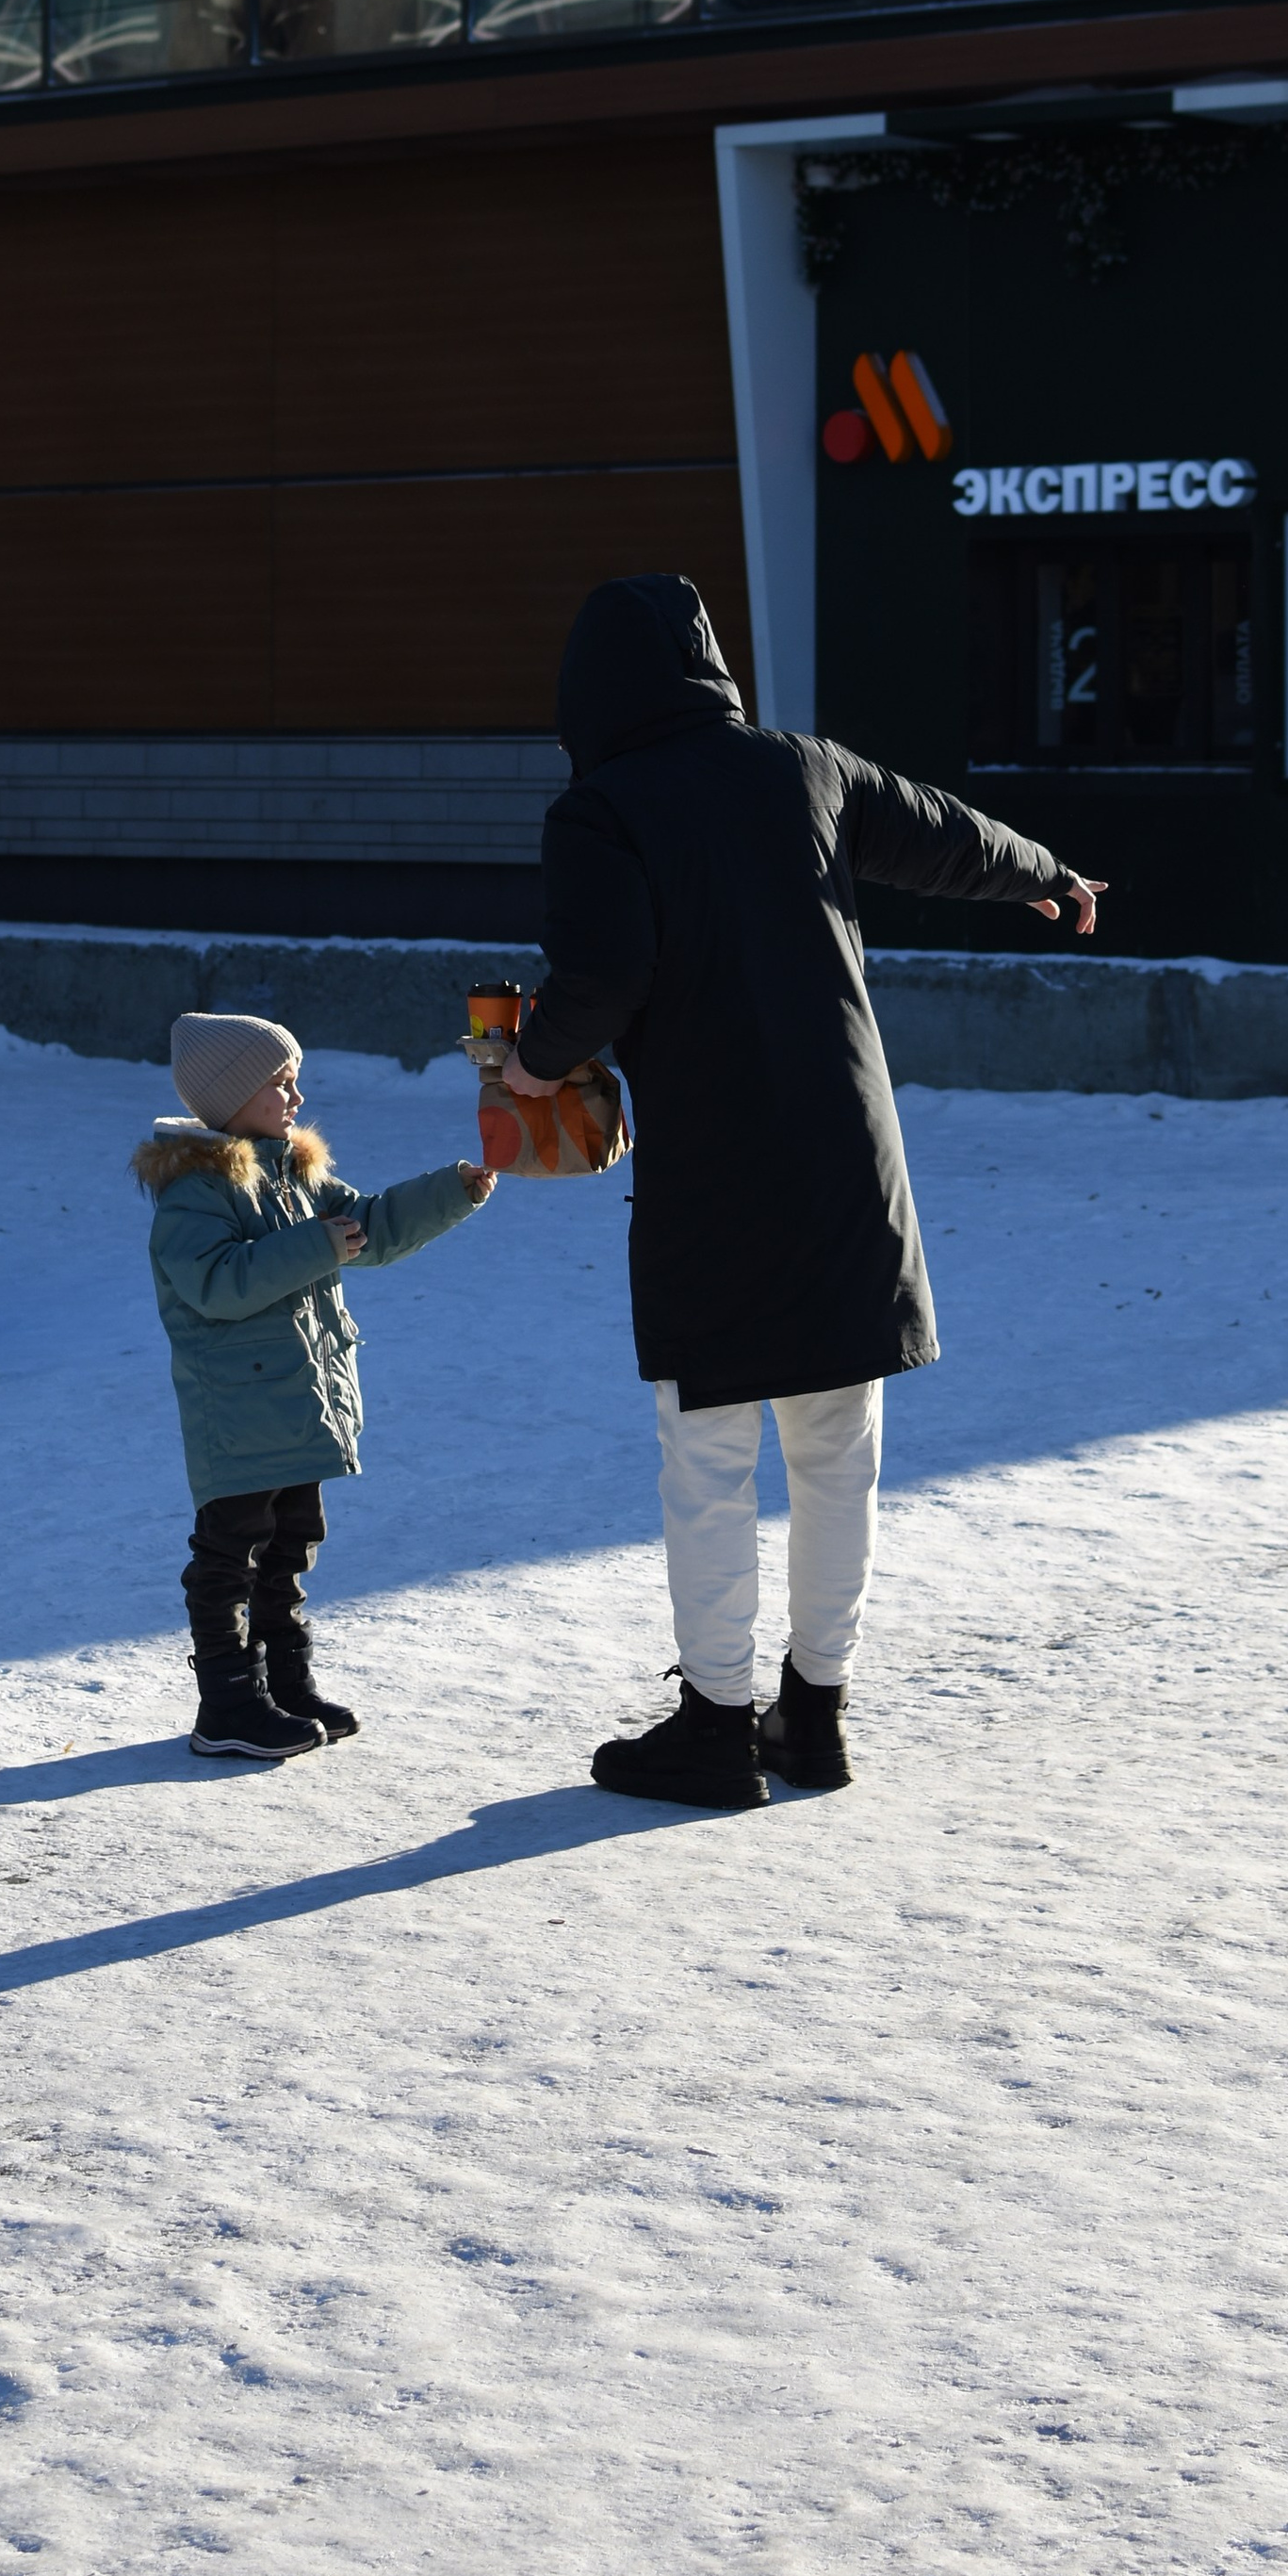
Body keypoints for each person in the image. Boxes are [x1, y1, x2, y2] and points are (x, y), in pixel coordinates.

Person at [506, 575, 1101, 1809]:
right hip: (845, 1163)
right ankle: (815, 1716)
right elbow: (940, 832)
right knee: (838, 1451)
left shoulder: (602, 811)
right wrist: (1045, 870)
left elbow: (605, 976)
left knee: (710, 1454)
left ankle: (720, 1728)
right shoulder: (802, 770)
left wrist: (534, 1057)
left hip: (717, 1182)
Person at [135, 1010, 495, 1760]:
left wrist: (452, 1190)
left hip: (298, 1401)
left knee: (293, 1542)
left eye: (295, 1081)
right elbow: (216, 1283)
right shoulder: (196, 1192)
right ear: (233, 1096)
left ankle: (285, 1682)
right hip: (236, 1409)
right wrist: (312, 1245)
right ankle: (228, 1700)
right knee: (231, 1549)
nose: (296, 1098)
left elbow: (368, 1225)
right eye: (280, 1083)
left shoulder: (295, 1173)